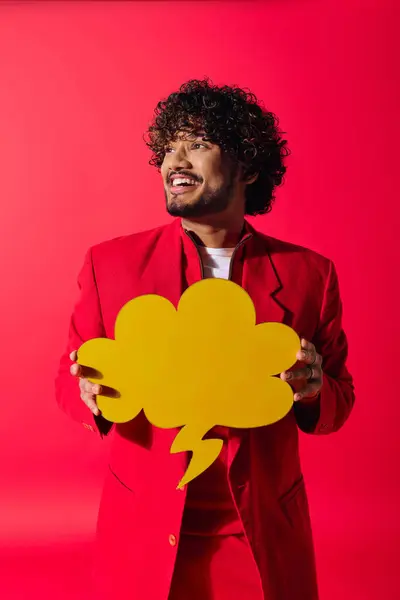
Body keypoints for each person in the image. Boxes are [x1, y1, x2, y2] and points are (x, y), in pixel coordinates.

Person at [55, 79, 355, 600]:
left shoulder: (311, 275)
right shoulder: (110, 265)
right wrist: (88, 394)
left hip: (260, 534)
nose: (175, 160)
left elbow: (340, 399)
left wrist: (312, 389)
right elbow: (69, 376)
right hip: (148, 534)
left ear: (249, 168)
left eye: (197, 143)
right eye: (169, 146)